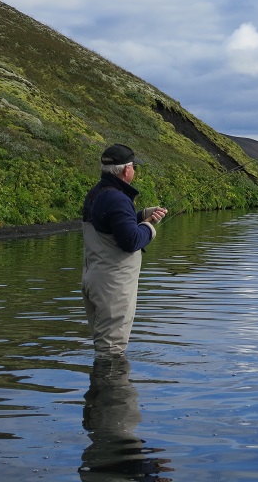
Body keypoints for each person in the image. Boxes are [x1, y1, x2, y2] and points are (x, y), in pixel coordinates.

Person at [82, 144, 167, 360]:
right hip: (113, 286)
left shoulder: (97, 193)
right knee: (111, 352)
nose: (134, 171)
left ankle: (99, 392)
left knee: (103, 347)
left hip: (95, 279)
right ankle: (113, 393)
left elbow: (111, 226)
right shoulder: (118, 198)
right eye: (133, 167)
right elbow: (130, 240)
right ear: (126, 170)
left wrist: (141, 216)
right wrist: (148, 227)